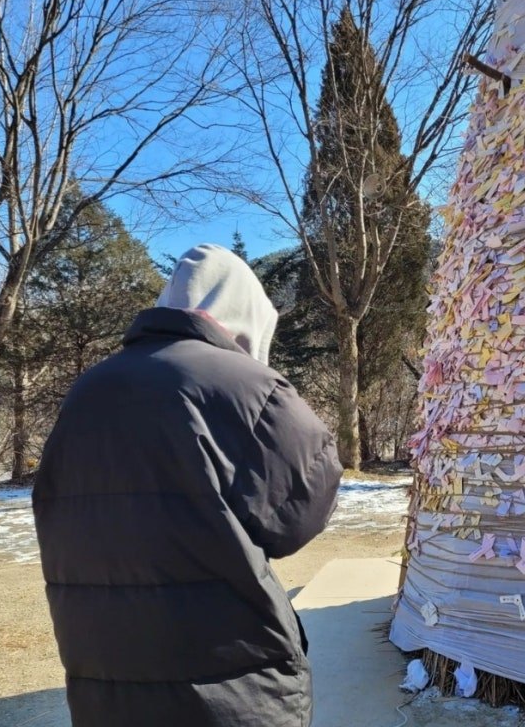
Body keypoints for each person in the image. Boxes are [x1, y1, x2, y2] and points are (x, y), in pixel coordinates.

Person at [33, 243, 343, 727]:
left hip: (105, 679)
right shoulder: (249, 388)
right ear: (249, 316)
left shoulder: (88, 389)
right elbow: (297, 518)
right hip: (229, 684)